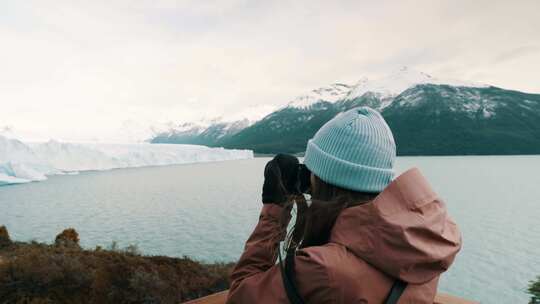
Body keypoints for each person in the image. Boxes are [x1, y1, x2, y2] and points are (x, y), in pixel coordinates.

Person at [226, 107, 462, 303]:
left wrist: (275, 209)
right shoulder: (423, 243)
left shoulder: (321, 269)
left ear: (322, 181)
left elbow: (239, 296)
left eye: (313, 174)